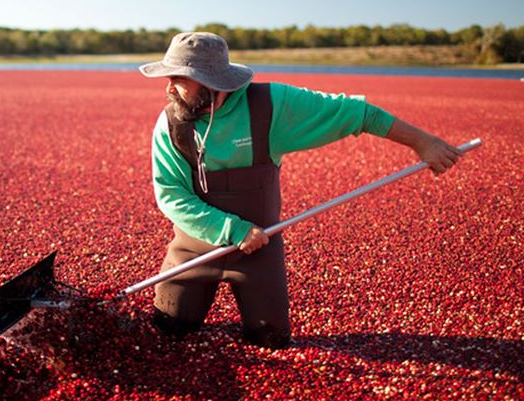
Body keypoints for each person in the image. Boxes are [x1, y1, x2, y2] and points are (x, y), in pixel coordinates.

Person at [139, 32, 463, 349]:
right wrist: (233, 229)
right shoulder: (170, 125)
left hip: (259, 248)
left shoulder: (271, 106)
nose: (169, 87)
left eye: (180, 77)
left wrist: (424, 143)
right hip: (193, 248)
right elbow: (171, 195)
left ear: (211, 81)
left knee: (271, 339)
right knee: (169, 330)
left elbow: (357, 113)